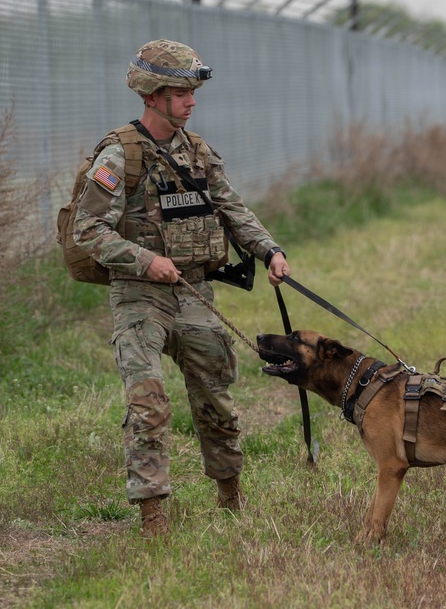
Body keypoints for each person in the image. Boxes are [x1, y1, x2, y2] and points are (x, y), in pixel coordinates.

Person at [72, 39, 290, 537]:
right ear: (152, 95)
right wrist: (145, 261)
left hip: (194, 293)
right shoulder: (118, 155)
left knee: (216, 401)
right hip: (139, 296)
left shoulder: (198, 153)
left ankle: (231, 500)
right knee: (147, 404)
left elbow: (234, 210)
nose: (192, 101)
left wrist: (269, 251)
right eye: (181, 92)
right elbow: (87, 231)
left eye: (193, 92)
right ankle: (154, 520)